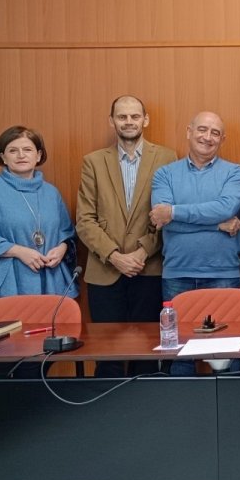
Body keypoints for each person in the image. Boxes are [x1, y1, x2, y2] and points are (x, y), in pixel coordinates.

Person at [77, 95, 177, 378]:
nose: (129, 122)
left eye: (135, 116)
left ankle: (144, 404)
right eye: (122, 117)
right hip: (105, 271)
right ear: (112, 121)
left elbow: (167, 216)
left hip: (149, 268)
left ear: (146, 120)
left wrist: (142, 252)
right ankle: (108, 404)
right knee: (107, 353)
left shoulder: (167, 158)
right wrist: (115, 256)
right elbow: (85, 220)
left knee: (148, 352)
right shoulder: (93, 162)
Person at [150, 111, 240, 376]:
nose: (208, 137)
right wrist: (216, 224)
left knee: (227, 352)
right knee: (179, 352)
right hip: (177, 274)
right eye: (202, 129)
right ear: (189, 132)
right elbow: (161, 219)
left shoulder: (235, 173)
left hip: (223, 273)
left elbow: (225, 207)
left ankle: (229, 401)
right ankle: (183, 402)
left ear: (222, 139)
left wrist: (175, 212)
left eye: (215, 133)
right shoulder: (165, 174)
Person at [0, 126, 78, 305]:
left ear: (38, 155)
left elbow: (67, 232)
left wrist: (62, 248)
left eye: (27, 149)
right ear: (3, 157)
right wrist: (18, 251)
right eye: (13, 151)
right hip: (11, 281)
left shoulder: (51, 192)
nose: (21, 155)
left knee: (53, 322)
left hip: (52, 279)